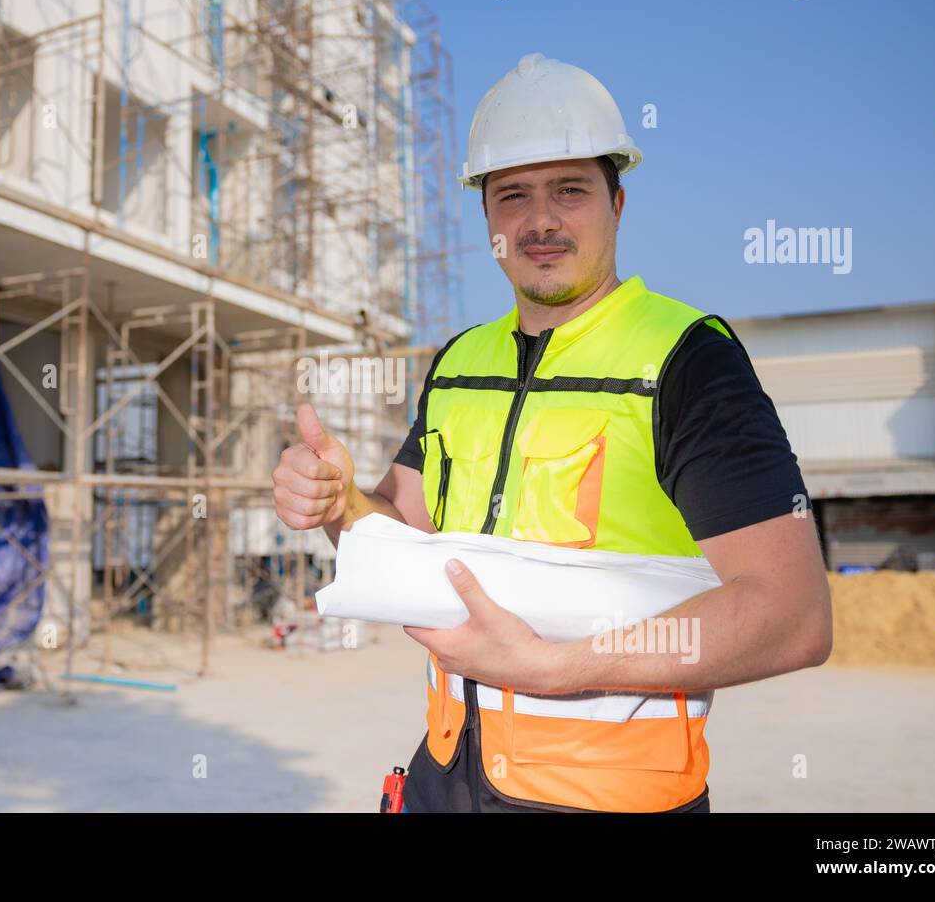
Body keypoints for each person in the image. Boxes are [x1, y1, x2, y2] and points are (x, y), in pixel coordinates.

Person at [271, 53, 832, 813]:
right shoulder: (459, 364)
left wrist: (555, 666)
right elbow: (400, 544)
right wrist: (340, 506)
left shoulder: (686, 360)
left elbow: (792, 616)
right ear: (488, 219)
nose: (539, 220)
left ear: (618, 204)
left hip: (606, 798)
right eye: (513, 196)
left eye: (569, 190)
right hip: (445, 777)